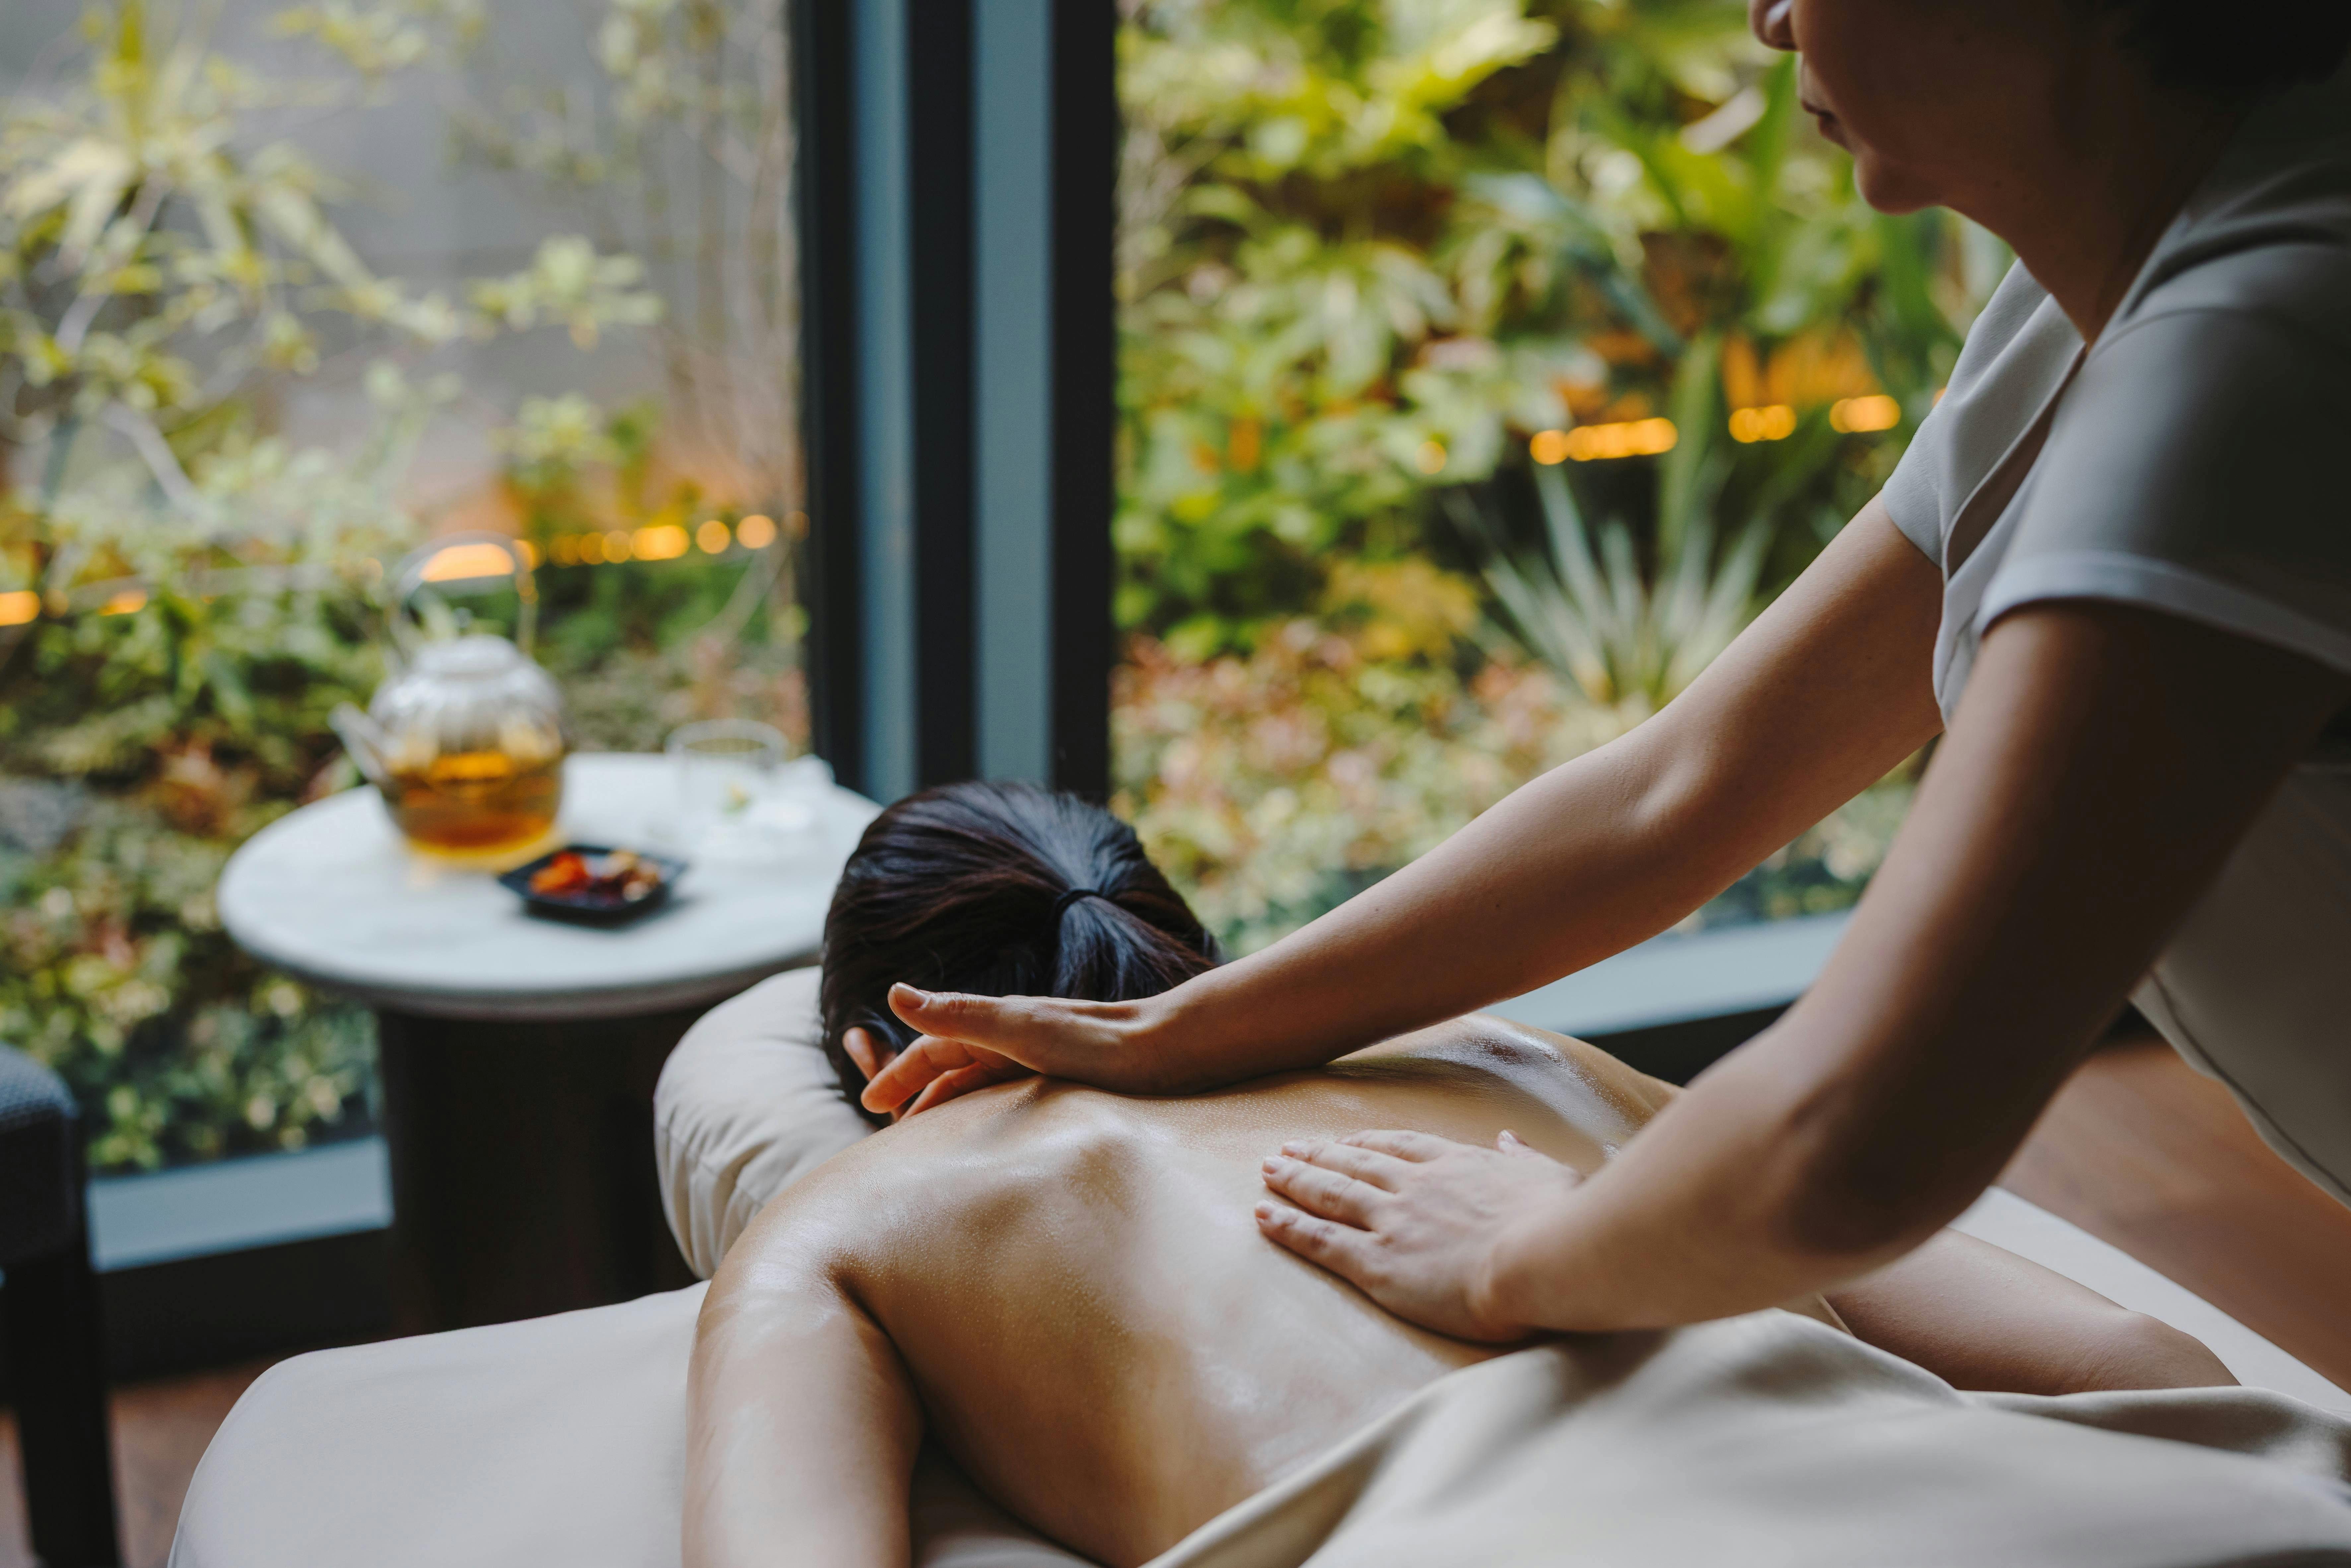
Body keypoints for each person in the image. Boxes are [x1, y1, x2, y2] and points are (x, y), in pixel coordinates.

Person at [860, 2, 2351, 1347]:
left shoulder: (2252, 357)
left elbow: (1851, 1145)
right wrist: (1193, 1022)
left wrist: (1513, 1255)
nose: (1769, 20)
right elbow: (1683, 789)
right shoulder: (2100, 283)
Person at [686, 783, 2232, 1568]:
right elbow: (2142, 1366)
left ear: (872, 1057)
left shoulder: (845, 1218)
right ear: (1181, 949)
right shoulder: (1513, 1060)